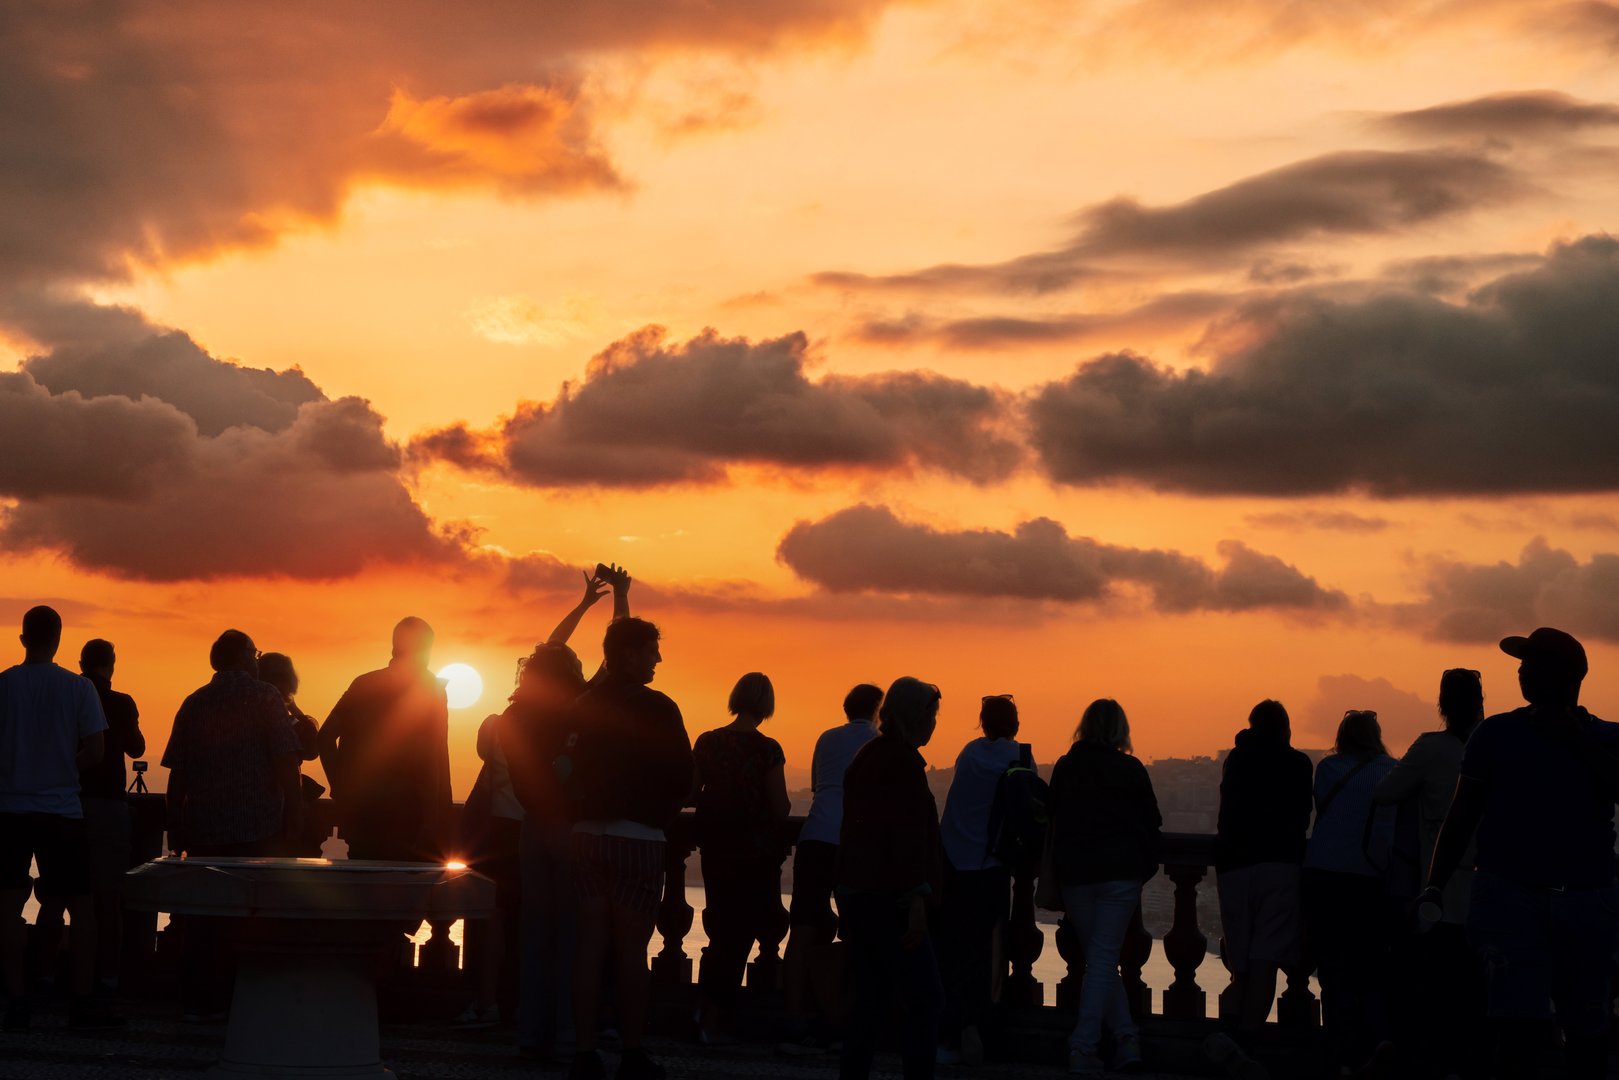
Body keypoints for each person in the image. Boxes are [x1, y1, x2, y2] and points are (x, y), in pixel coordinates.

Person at [1423, 628, 1619, 1080]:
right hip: (1514, 896)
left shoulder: (1605, 737)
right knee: (1517, 1027)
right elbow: (1462, 814)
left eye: (1531, 663)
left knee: (1587, 1027)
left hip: (1583, 899)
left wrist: (1575, 737)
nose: (1521, 671)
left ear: (1564, 675)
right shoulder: (1496, 733)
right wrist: (1434, 883)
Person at [503, 565, 629, 1060]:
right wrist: (620, 597)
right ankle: (565, 1035)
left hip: (532, 829)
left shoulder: (516, 713)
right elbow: (618, 656)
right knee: (575, 936)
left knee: (535, 935)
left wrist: (583, 603)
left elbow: (549, 651)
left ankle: (531, 1035)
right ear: (571, 674)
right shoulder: (579, 707)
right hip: (573, 831)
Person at [564, 616, 692, 1080]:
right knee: (631, 951)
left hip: (584, 835)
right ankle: (632, 1052)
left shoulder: (580, 705)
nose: (658, 659)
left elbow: (561, 768)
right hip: (637, 838)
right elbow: (684, 776)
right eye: (651, 650)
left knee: (589, 948)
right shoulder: (658, 708)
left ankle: (583, 1052)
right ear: (628, 654)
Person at [162, 629, 304, 1021]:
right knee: (253, 916)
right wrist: (295, 809)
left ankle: (201, 1000)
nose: (258, 659)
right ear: (243, 656)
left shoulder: (194, 703)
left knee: (205, 919)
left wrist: (176, 825)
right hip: (258, 827)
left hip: (205, 828)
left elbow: (178, 773)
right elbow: (285, 760)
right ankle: (248, 998)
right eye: (254, 652)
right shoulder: (265, 697)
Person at [0, 606, 114, 1031]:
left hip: (9, 810)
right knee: (82, 909)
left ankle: (17, 998)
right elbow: (98, 753)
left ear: (23, 638)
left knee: (8, 907)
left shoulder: (5, 685)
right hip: (62, 811)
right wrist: (63, 767)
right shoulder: (78, 688)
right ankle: (81, 1003)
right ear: (59, 639)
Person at [1372, 669, 1486, 1079]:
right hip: (1488, 881)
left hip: (1437, 884)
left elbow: (1384, 793)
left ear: (1442, 705)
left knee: (1433, 979)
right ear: (1480, 702)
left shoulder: (1430, 748)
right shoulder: (1491, 743)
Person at [836, 676, 945, 1080]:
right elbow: (905, 837)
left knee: (869, 1000)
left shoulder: (869, 756)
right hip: (890, 899)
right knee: (927, 1000)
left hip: (860, 893)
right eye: (932, 715)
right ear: (918, 717)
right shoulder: (902, 763)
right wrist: (917, 899)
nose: (935, 724)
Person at [1048, 699, 1160, 1077]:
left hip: (1077, 874)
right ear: (1119, 730)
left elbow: (1053, 815)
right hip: (1120, 874)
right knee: (1102, 958)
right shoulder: (1130, 769)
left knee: (1099, 957)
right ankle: (1086, 1045)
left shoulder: (1067, 767)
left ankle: (1126, 1039)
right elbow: (1152, 821)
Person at [32, 639, 145, 997]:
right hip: (109, 807)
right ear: (112, 664)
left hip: (65, 803)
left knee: (55, 893)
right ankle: (107, 976)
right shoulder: (121, 702)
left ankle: (44, 974)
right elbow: (137, 748)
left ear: (81, 662)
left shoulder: (66, 697)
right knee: (107, 897)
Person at [779, 682, 883, 1056]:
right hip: (854, 841)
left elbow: (816, 785)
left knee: (802, 930)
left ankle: (793, 1018)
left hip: (815, 836)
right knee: (857, 934)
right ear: (877, 709)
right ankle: (842, 1019)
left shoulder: (825, 737)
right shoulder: (879, 740)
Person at [1211, 700, 1312, 1070]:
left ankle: (1231, 1033)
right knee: (1266, 957)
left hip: (1236, 866)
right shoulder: (1300, 764)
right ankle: (1247, 1039)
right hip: (1281, 866)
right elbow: (1303, 815)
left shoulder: (1236, 760)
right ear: (1286, 727)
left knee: (1240, 959)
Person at [692, 672, 790, 1044]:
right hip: (755, 853)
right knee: (740, 935)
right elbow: (780, 807)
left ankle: (705, 1004)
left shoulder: (709, 741)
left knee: (719, 930)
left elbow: (691, 790)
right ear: (767, 705)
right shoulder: (768, 750)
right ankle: (717, 1014)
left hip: (716, 849)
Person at [934, 693, 1028, 1066]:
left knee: (953, 949)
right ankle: (983, 1027)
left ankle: (951, 1029)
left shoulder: (968, 753)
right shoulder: (1019, 756)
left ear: (982, 724)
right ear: (1015, 725)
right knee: (988, 952)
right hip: (991, 866)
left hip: (955, 863)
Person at [1302, 710, 1396, 1077]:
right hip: (1370, 877)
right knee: (1370, 966)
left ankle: (1340, 1054)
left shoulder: (1327, 769)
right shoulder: (1393, 769)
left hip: (1323, 874)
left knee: (1332, 967)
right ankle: (1377, 1040)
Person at [319, 616, 452, 862]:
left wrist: (341, 788)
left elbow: (325, 736)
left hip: (361, 808)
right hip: (410, 813)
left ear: (395, 646)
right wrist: (438, 817)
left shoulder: (364, 684)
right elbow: (436, 756)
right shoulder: (431, 689)